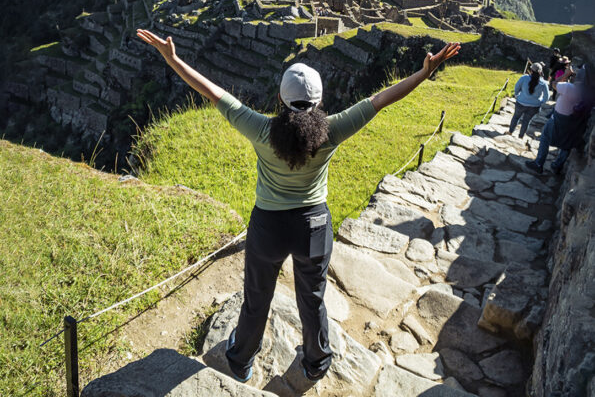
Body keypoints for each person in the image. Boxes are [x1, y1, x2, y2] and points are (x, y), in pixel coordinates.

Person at [136, 27, 460, 382]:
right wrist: (424, 72)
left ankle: (241, 359)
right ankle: (316, 360)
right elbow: (382, 99)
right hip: (314, 227)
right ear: (320, 102)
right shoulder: (332, 131)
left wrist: (173, 59)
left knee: (257, 297)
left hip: (269, 227)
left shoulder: (260, 129)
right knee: (313, 298)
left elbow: (212, 92)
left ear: (280, 97)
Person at [526, 63, 593, 175]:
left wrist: (566, 75)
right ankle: (557, 166)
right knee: (567, 144)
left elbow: (554, 84)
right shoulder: (589, 94)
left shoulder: (569, 88)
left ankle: (538, 163)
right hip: (575, 125)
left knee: (545, 138)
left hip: (558, 120)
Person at [508, 62, 549, 139]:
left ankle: (510, 132)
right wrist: (540, 102)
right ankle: (521, 136)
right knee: (526, 121)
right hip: (534, 106)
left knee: (516, 117)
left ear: (531, 70)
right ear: (540, 72)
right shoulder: (543, 83)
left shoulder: (524, 78)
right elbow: (547, 97)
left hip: (521, 102)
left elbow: (516, 88)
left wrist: (517, 95)